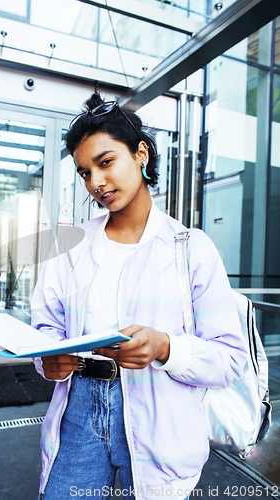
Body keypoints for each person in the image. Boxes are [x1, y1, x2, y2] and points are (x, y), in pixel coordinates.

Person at [31, 93, 247, 500]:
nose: (95, 182)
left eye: (106, 162)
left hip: (159, 420)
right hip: (78, 409)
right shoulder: (71, 246)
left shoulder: (191, 248)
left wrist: (167, 348)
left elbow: (229, 360)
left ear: (141, 153)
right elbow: (45, 325)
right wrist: (50, 358)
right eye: (83, 172)